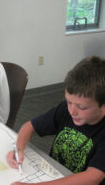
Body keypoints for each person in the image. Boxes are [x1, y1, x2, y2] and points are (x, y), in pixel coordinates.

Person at [6, 56, 105, 185]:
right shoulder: (65, 109)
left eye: (81, 107)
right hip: (55, 174)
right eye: (69, 102)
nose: (72, 111)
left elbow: (92, 177)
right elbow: (29, 126)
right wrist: (18, 149)